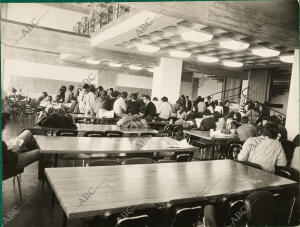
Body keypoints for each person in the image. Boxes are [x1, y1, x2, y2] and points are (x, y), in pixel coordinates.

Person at [2, 113, 41, 178]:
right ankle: (44, 175)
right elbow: (9, 162)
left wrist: (8, 148)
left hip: (8, 155)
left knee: (27, 132)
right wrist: (13, 151)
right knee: (41, 152)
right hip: (13, 163)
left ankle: (28, 149)